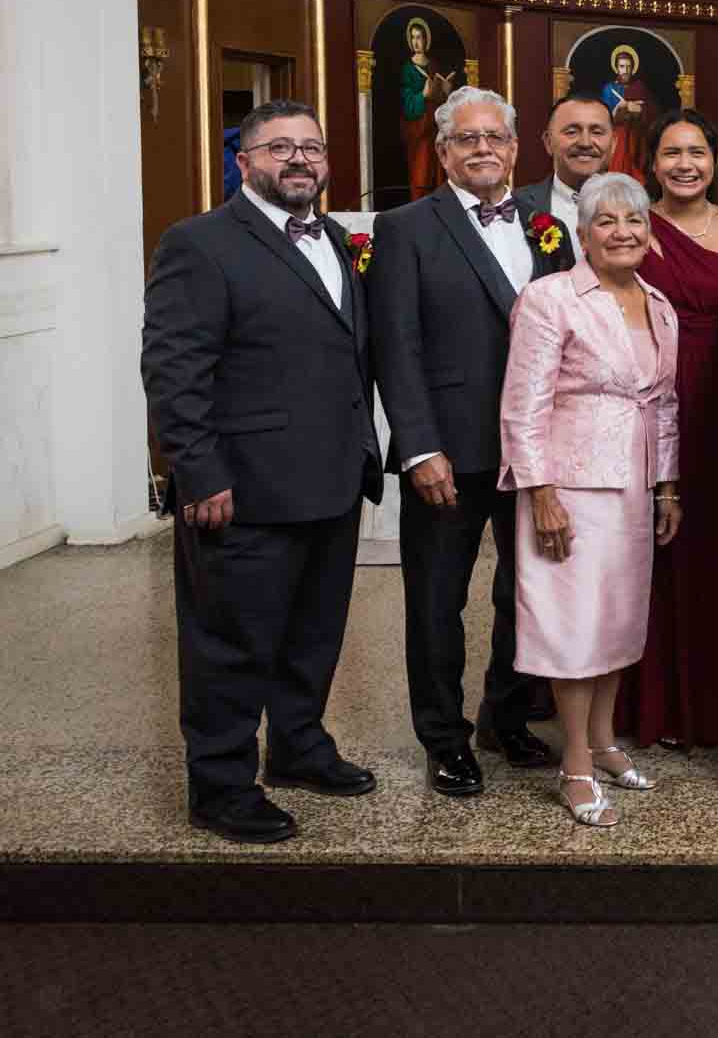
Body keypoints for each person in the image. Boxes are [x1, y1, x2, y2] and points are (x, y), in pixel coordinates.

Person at [141, 99, 385, 843]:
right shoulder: (200, 243)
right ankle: (219, 784)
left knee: (313, 632)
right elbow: (174, 369)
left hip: (332, 477)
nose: (299, 160)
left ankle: (299, 746)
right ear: (243, 162)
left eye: (311, 146)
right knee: (231, 641)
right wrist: (199, 472)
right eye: (279, 148)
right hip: (241, 486)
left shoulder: (339, 239)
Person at [369, 87, 567, 796]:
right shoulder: (404, 227)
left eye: (496, 137)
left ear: (516, 149)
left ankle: (505, 716)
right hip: (448, 451)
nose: (484, 148)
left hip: (534, 453)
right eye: (467, 138)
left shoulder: (549, 230)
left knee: (528, 592)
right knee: (436, 599)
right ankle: (443, 736)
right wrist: (420, 446)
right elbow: (396, 342)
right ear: (444, 151)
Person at [499, 172, 683, 828]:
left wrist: (667, 483)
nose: (622, 231)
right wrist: (539, 491)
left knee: (617, 622)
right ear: (581, 233)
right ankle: (574, 760)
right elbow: (524, 404)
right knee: (573, 630)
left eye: (634, 220)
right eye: (606, 220)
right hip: (570, 488)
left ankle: (605, 740)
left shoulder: (659, 303)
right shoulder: (550, 299)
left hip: (632, 487)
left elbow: (664, 405)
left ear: (648, 230)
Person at [620, 108, 718, 750]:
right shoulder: (631, 228)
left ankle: (717, 701)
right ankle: (652, 702)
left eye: (697, 152)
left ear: (716, 160)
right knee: (652, 552)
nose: (685, 164)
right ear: (652, 164)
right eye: (671, 153)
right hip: (647, 395)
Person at [515, 92, 613, 240]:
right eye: (572, 132)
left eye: (597, 132)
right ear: (548, 142)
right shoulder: (517, 205)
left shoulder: (639, 206)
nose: (585, 143)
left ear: (614, 144)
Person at [399, 18, 459, 198]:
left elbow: (441, 96)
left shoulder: (434, 65)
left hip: (436, 127)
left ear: (427, 39)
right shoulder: (408, 69)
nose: (417, 42)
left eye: (420, 37)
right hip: (418, 130)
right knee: (421, 173)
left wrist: (447, 92)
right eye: (414, 38)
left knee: (439, 173)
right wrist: (421, 96)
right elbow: (406, 100)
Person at [601, 45, 661, 181]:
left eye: (628, 67)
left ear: (633, 68)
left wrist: (641, 110)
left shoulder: (639, 87)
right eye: (622, 66)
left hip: (637, 137)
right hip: (617, 137)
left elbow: (654, 112)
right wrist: (621, 107)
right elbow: (604, 117)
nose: (625, 70)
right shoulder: (609, 89)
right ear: (616, 68)